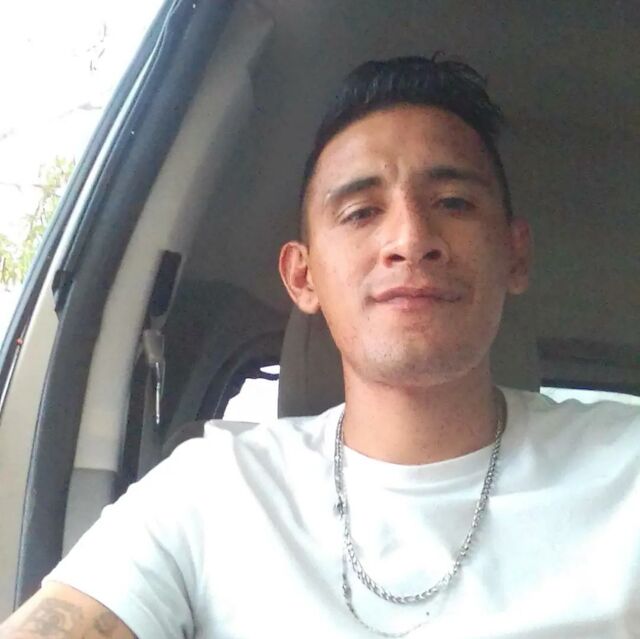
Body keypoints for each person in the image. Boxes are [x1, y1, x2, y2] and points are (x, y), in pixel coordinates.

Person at [1, 55, 638, 639]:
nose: (411, 239)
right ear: (302, 277)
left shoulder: (626, 469)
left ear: (515, 255)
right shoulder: (212, 489)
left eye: (452, 201)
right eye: (361, 212)